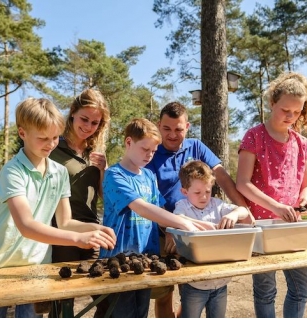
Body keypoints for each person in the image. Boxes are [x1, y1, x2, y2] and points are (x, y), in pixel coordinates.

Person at [0, 97, 116, 318]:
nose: (50, 144)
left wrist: (93, 229)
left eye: (55, 137)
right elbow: (27, 226)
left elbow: (66, 222)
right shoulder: (12, 172)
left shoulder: (59, 172)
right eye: (43, 138)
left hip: (36, 267)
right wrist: (78, 239)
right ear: (23, 134)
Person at [145, 101, 253, 318]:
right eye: (166, 128)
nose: (172, 134)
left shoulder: (196, 147)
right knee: (164, 291)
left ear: (187, 126)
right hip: (162, 230)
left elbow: (221, 177)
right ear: (159, 126)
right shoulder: (151, 153)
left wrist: (243, 209)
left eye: (178, 129)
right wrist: (169, 230)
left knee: (193, 286)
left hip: (195, 233)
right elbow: (148, 198)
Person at [99, 118, 209, 318]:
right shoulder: (114, 175)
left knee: (141, 313)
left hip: (145, 260)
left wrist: (201, 224)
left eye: (153, 151)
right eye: (145, 149)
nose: (149, 155)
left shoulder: (149, 176)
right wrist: (184, 222)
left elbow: (160, 213)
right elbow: (141, 207)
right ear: (129, 142)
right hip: (117, 262)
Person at [236, 71, 307, 318]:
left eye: (297, 112)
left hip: (293, 226)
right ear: (272, 103)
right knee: (265, 291)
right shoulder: (254, 136)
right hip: (260, 226)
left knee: (303, 287)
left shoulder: (302, 143)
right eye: (285, 110)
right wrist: (276, 207)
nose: (291, 117)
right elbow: (242, 184)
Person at [49, 89, 110, 317]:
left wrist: (103, 170)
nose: (88, 126)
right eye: (84, 119)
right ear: (72, 113)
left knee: (105, 299)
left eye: (95, 122)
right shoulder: (54, 147)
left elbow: (104, 196)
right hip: (60, 233)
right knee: (62, 301)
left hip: (92, 231)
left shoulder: (95, 153)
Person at [175, 160, 250, 318]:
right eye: (197, 192)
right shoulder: (182, 207)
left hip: (221, 281)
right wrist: (205, 225)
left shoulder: (217, 205)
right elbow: (177, 220)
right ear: (184, 191)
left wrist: (234, 214)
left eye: (208, 191)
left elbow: (245, 212)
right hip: (195, 283)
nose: (203, 197)